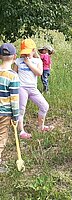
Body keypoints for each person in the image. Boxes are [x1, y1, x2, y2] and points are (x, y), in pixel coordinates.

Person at [13, 39, 54, 139]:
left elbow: (39, 73)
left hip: (32, 88)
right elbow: (14, 74)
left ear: (33, 50)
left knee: (44, 106)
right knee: (21, 109)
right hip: (22, 87)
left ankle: (41, 126)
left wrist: (28, 63)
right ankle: (21, 131)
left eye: (28, 52)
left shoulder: (37, 61)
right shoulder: (18, 61)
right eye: (24, 53)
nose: (26, 55)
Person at [0, 43, 20, 172]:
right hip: (5, 113)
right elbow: (14, 99)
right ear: (15, 57)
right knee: (1, 137)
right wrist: (16, 116)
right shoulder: (13, 76)